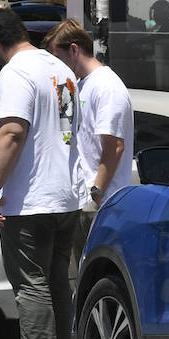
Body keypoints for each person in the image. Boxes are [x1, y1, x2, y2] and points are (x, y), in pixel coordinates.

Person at [0, 8, 80, 339]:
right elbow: (67, 129)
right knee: (57, 279)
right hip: (63, 195)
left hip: (30, 196)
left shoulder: (16, 72)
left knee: (30, 281)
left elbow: (13, 132)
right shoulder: (62, 70)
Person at [42, 19, 134, 264]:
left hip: (98, 205)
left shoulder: (107, 86)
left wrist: (96, 193)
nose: (54, 64)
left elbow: (114, 146)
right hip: (77, 202)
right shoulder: (76, 85)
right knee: (80, 278)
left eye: (56, 56)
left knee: (96, 275)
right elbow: (65, 135)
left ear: (74, 49)